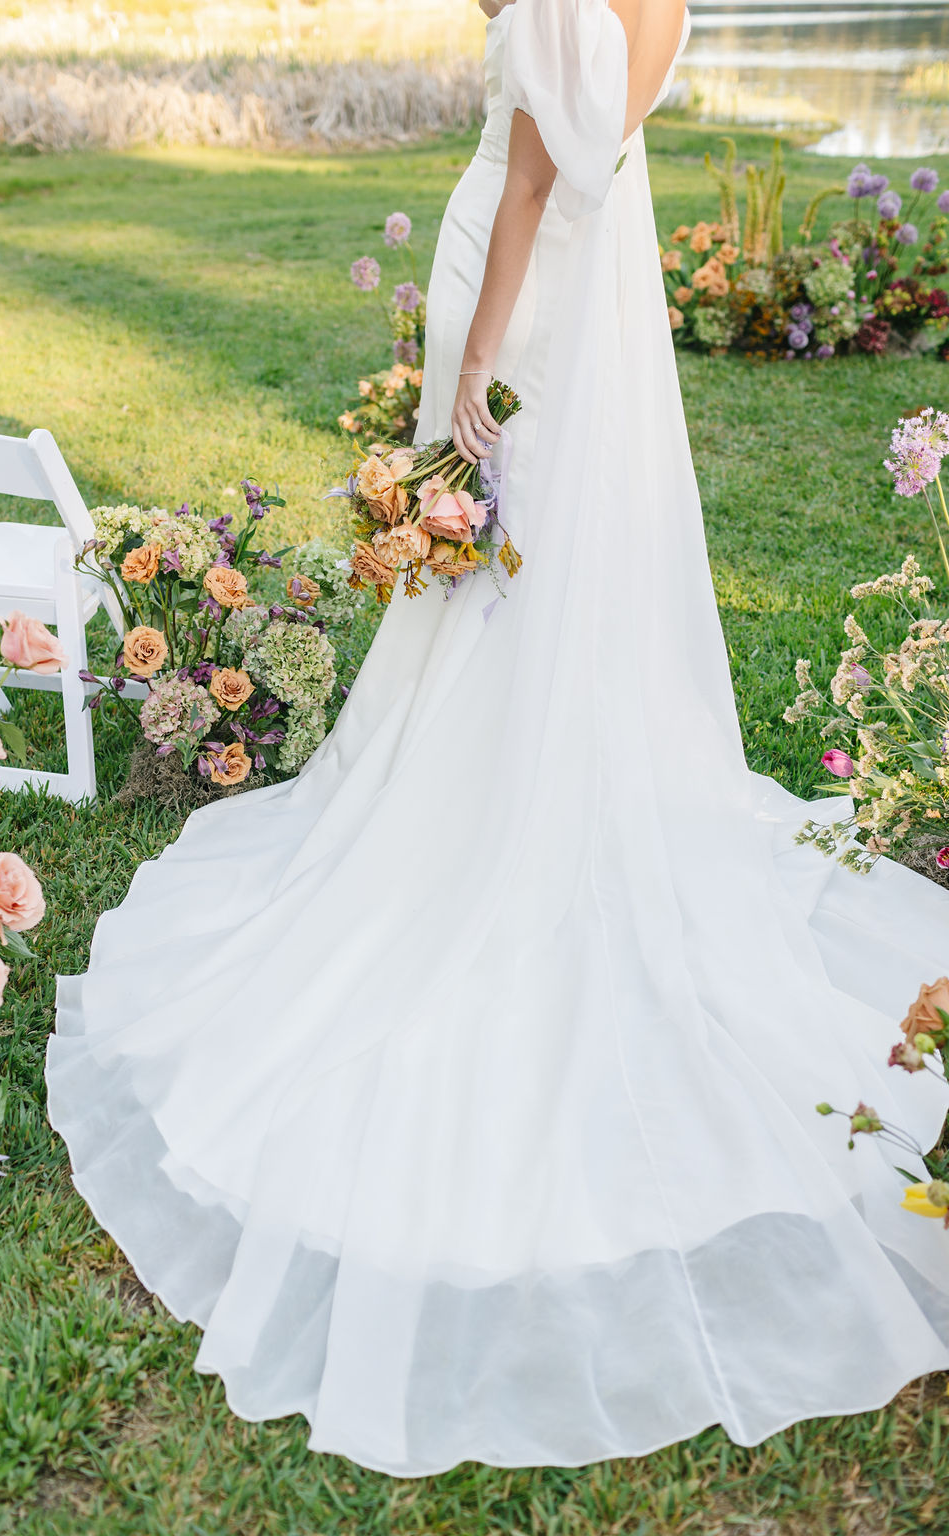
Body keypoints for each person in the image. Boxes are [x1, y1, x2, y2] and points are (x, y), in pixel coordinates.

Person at [46, 0, 949, 1479]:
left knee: (487, 524)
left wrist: (471, 366)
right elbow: (615, 127)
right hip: (604, 301)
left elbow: (533, 178)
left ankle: (481, 787)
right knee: (567, 562)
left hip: (524, 281)